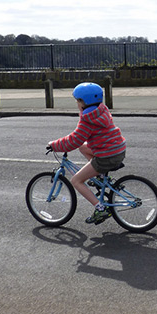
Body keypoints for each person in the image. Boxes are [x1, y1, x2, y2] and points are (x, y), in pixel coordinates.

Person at [47, 82, 126, 224]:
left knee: (76, 181)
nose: (77, 103)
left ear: (84, 102)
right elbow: (81, 143)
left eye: (78, 100)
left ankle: (100, 208)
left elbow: (74, 140)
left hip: (106, 156)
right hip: (117, 149)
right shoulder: (102, 110)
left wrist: (55, 145)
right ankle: (101, 177)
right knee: (83, 147)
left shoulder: (87, 120)